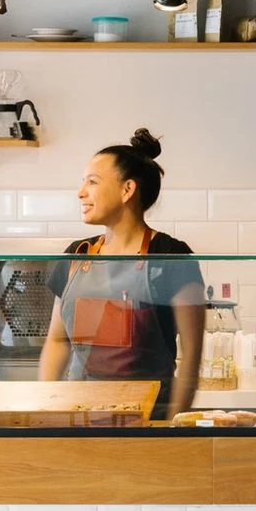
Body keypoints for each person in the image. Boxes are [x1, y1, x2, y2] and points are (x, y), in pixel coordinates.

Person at [38, 128, 205, 420]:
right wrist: (47, 412)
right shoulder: (75, 256)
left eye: (92, 182)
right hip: (77, 420)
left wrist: (173, 431)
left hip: (149, 423)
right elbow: (56, 342)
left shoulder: (170, 256)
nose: (81, 192)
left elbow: (191, 356)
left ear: (127, 190)